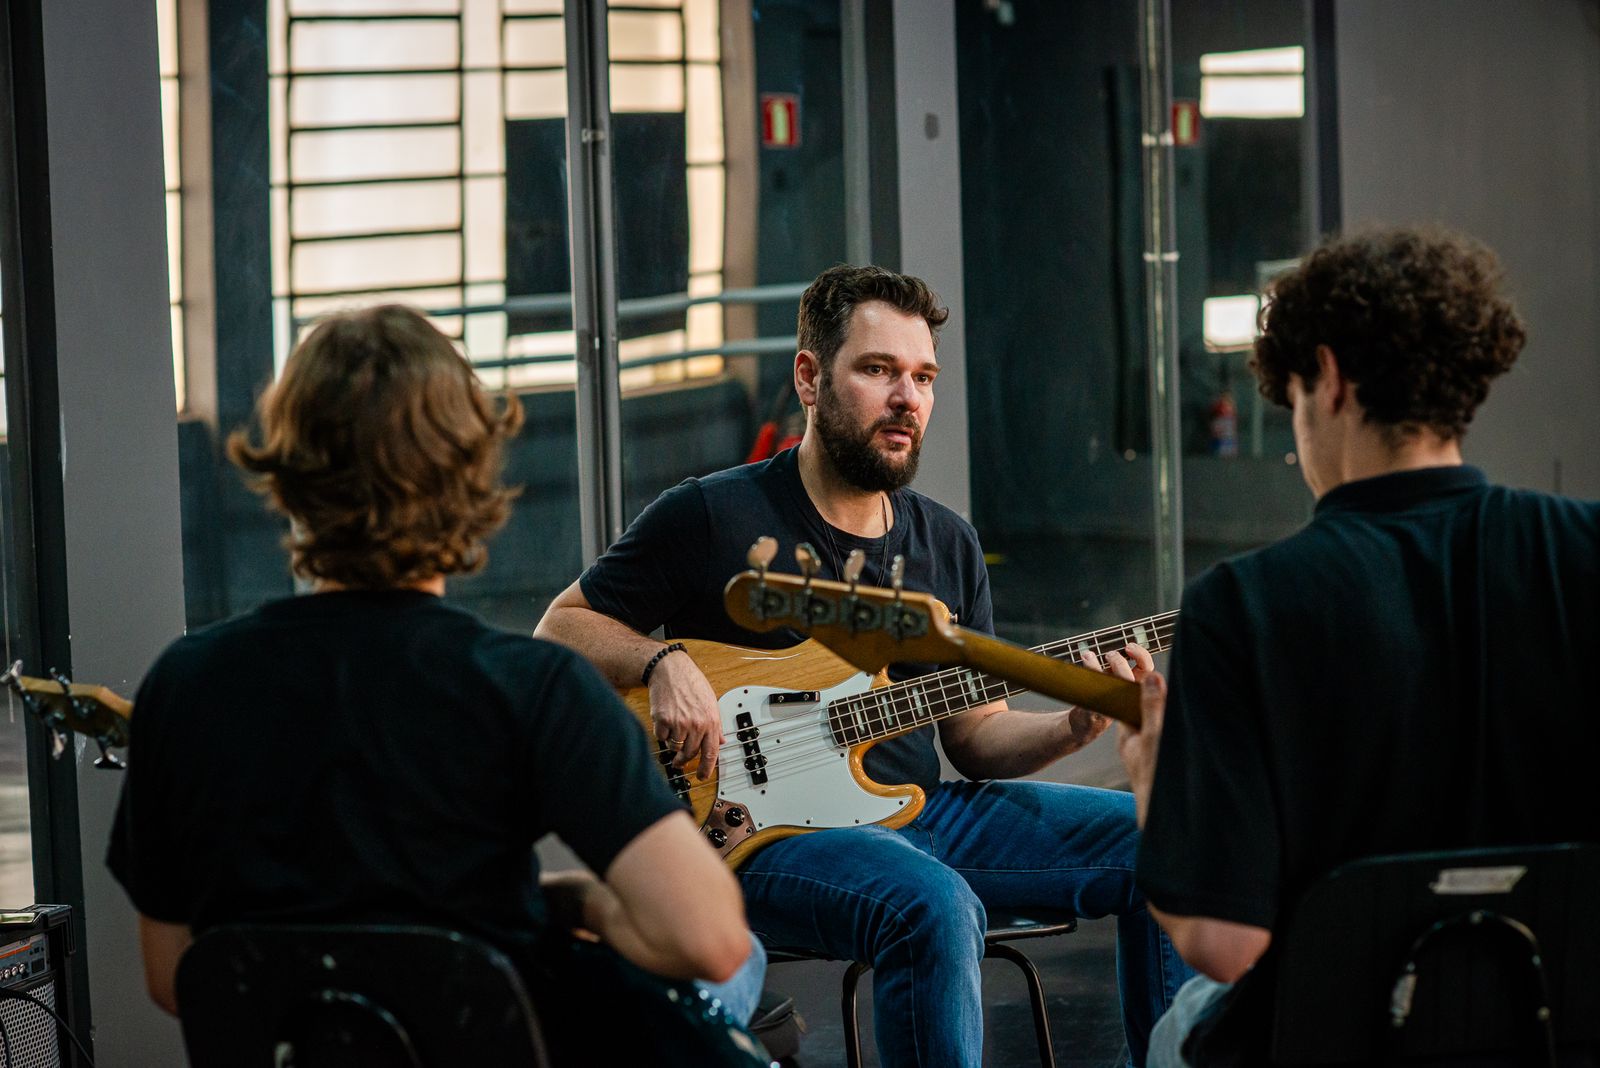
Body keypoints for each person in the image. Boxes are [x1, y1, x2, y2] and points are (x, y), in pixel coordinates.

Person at [536, 264, 1189, 1067]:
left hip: (919, 814)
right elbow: (561, 628)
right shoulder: (714, 513)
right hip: (764, 838)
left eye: (922, 377)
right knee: (935, 904)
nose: (907, 398)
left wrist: (1071, 724)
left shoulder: (946, 543)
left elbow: (976, 738)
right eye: (879, 370)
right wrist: (662, 657)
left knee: (1171, 836)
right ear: (809, 378)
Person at [106, 305, 762, 1062]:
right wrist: (580, 904)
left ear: (288, 473)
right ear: (469, 472)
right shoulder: (532, 689)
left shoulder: (185, 685)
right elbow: (708, 940)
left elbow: (173, 976)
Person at [1110, 227, 1600, 1066]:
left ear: (1328, 379)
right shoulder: (1585, 549)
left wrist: (1156, 787)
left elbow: (1222, 944)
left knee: (1177, 1024)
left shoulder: (1243, 605)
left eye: (1293, 396)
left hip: (1333, 1044)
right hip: (1566, 1034)